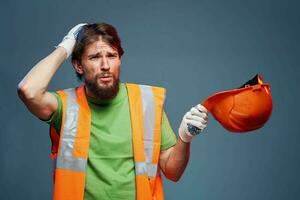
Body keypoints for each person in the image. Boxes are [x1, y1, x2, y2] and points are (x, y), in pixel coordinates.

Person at [17, 23, 208, 200]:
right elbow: (29, 90)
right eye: (94, 57)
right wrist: (67, 45)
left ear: (119, 59)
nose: (105, 66)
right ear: (78, 65)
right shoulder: (66, 106)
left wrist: (184, 138)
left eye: (111, 55)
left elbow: (173, 172)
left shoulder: (147, 102)